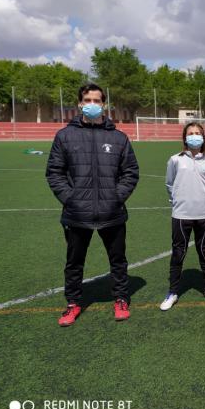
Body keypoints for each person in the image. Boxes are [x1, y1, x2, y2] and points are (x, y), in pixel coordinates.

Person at [46, 83, 139, 326]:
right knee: (74, 262)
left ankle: (120, 298)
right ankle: (73, 303)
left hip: (112, 212)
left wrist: (116, 197)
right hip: (77, 213)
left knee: (118, 260)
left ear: (104, 104)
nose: (92, 105)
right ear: (79, 104)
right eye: (87, 100)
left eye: (97, 101)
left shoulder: (118, 138)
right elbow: (54, 172)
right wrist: (71, 199)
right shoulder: (65, 136)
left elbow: (130, 172)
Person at [160, 122, 205, 311]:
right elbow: (169, 184)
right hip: (181, 214)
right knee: (178, 253)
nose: (194, 136)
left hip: (204, 213)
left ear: (203, 138)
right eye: (191, 133)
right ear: (185, 138)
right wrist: (177, 201)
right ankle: (173, 291)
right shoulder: (175, 160)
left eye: (198, 133)